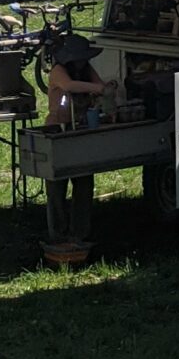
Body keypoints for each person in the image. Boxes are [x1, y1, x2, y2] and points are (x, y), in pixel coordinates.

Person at [43, 33, 106, 250]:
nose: (82, 61)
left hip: (80, 128)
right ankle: (58, 235)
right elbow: (69, 86)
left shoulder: (87, 70)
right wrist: (97, 89)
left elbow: (100, 84)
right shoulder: (59, 72)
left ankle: (80, 233)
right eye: (80, 58)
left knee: (84, 182)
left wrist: (104, 90)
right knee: (56, 185)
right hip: (58, 128)